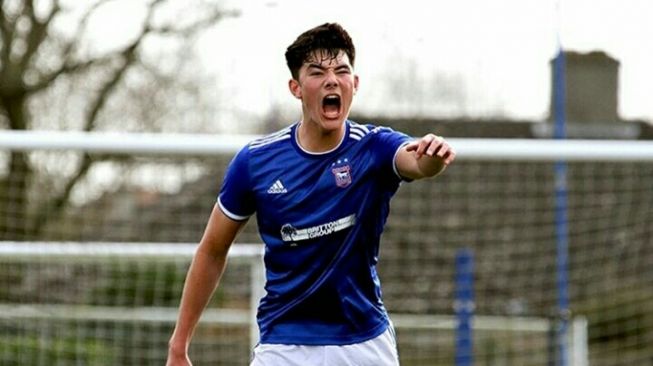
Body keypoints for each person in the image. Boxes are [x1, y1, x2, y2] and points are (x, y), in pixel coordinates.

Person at [167, 22, 455, 366]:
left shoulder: (374, 146)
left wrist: (432, 158)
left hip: (363, 342)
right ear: (296, 87)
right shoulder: (255, 162)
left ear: (355, 84)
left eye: (342, 71)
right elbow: (212, 249)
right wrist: (178, 345)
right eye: (317, 72)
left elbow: (415, 162)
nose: (332, 80)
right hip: (284, 344)